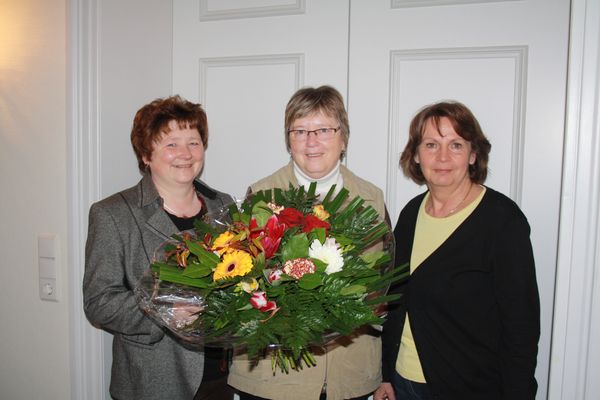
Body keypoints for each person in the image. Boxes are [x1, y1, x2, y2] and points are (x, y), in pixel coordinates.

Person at [227, 85, 387, 400]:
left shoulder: (372, 199)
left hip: (349, 373)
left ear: (343, 138)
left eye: (324, 130)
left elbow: (382, 283)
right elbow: (240, 284)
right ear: (289, 140)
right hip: (274, 377)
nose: (311, 141)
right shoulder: (262, 195)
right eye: (300, 131)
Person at [374, 101, 540, 400]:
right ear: (416, 154)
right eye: (431, 145)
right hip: (403, 383)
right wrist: (385, 374)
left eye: (456, 145)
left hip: (469, 387)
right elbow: (395, 300)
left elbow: (521, 327)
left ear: (473, 154)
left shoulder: (502, 221)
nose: (442, 157)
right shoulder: (411, 213)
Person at [83, 95, 234, 400]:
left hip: (220, 377)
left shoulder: (223, 204)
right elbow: (99, 302)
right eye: (171, 144)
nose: (185, 154)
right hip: (153, 380)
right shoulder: (113, 214)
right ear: (146, 155)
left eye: (193, 142)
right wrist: (165, 312)